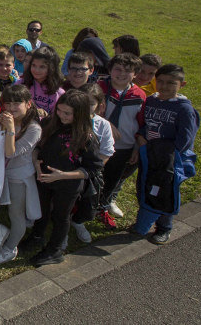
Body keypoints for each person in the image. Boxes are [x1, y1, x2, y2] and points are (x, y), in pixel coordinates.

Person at [25, 89, 104, 266]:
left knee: (61, 216)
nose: (61, 115)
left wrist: (63, 176)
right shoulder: (49, 123)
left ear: (80, 113)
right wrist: (36, 162)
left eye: (67, 113)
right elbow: (38, 147)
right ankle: (37, 235)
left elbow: (92, 168)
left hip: (68, 185)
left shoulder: (86, 137)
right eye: (59, 110)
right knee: (42, 211)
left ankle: (55, 250)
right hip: (44, 178)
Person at [131, 64, 199, 244]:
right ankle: (145, 221)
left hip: (169, 160)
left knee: (165, 193)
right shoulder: (152, 101)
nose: (164, 86)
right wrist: (141, 137)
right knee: (146, 187)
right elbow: (146, 124)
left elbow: (185, 139)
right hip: (150, 155)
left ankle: (164, 228)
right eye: (160, 81)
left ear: (181, 84)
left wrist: (167, 153)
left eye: (171, 83)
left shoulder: (184, 109)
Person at [0, 85, 42, 265]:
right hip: (1, 173)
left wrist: (9, 128)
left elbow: (10, 152)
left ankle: (10, 249)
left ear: (28, 104)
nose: (11, 108)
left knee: (16, 214)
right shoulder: (3, 119)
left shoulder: (33, 129)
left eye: (17, 103)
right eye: (7, 103)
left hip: (19, 177)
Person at [97, 53, 146, 226]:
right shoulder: (99, 88)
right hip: (99, 145)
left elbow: (141, 124)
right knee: (96, 176)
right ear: (110, 70)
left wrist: (136, 148)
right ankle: (88, 205)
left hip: (124, 146)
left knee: (113, 178)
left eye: (128, 70)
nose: (122, 74)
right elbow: (90, 113)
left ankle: (103, 205)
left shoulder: (139, 95)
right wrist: (107, 124)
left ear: (135, 74)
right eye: (117, 69)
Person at [66, 83, 115, 245]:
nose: (86, 108)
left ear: (100, 106)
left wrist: (90, 169)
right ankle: (63, 227)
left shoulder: (103, 125)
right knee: (65, 202)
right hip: (67, 170)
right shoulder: (67, 120)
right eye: (83, 103)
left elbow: (106, 152)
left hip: (90, 172)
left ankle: (78, 221)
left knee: (88, 203)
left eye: (91, 104)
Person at [18, 47, 65, 116]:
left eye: (42, 67)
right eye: (34, 65)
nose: (37, 70)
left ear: (52, 68)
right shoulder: (20, 84)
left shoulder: (59, 93)